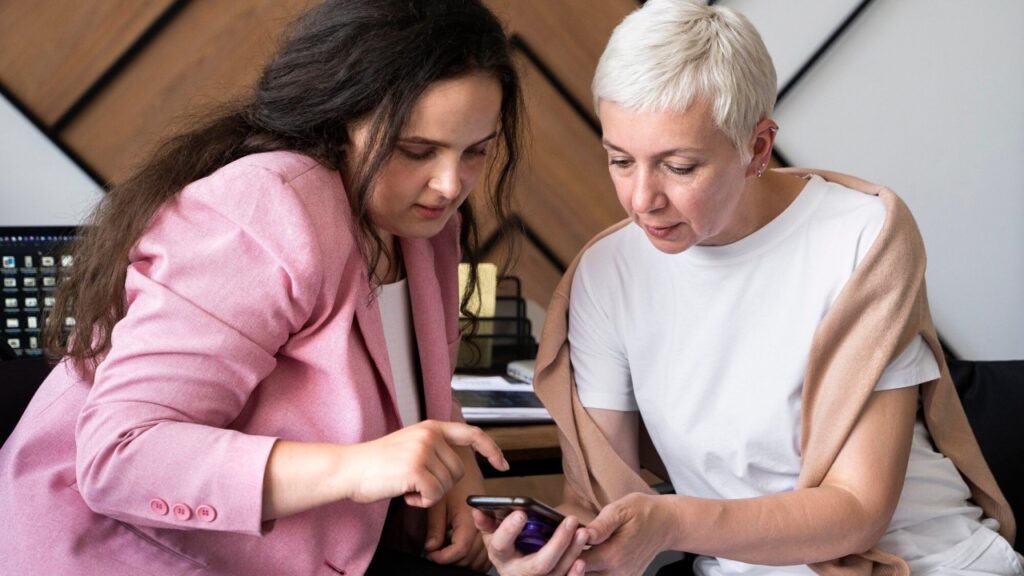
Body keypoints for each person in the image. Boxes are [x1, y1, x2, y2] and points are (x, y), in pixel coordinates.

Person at [473, 1, 1021, 575]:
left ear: (757, 147)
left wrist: (674, 520)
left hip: (927, 559)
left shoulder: (860, 235)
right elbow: (598, 501)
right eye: (620, 160)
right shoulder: (605, 274)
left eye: (679, 167)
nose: (641, 199)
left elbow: (859, 510)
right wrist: (548, 550)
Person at [0, 1, 524, 574]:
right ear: (335, 121)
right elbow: (120, 456)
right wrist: (356, 467)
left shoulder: (423, 225)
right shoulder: (265, 209)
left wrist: (455, 469)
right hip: (133, 552)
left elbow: (403, 382)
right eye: (416, 151)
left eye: (475, 150)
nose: (451, 185)